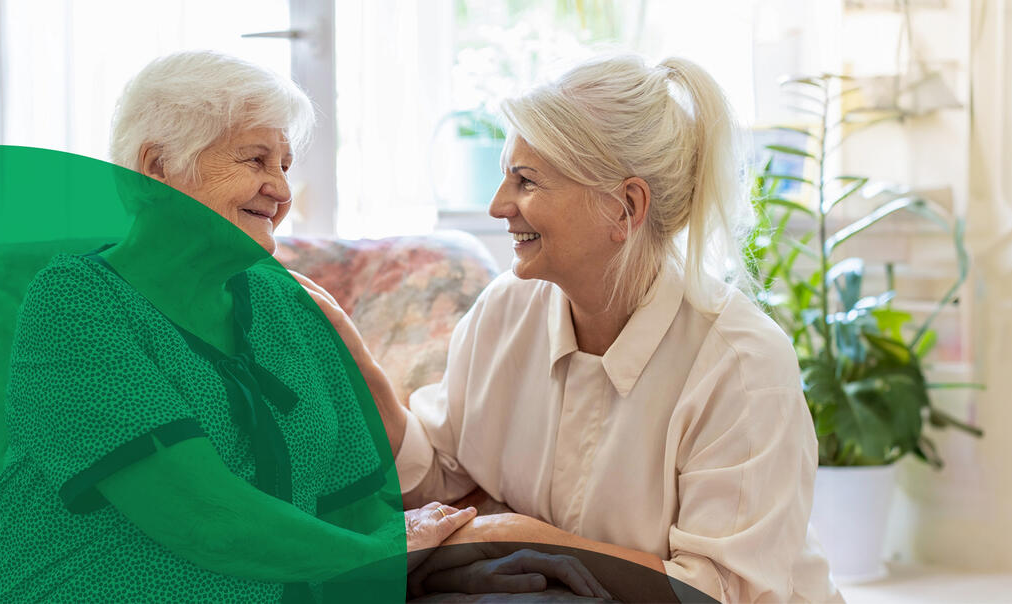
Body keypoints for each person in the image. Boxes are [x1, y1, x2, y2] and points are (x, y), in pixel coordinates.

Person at [0, 50, 475, 602]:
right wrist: (384, 558)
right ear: (156, 168)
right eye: (256, 161)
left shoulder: (287, 306)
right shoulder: (75, 302)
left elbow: (355, 506)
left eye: (285, 166)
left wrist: (449, 572)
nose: (282, 192)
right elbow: (201, 517)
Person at [339, 54, 843, 602]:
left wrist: (523, 535)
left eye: (525, 181)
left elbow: (716, 592)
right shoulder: (506, 308)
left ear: (625, 208)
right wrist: (362, 376)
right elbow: (442, 475)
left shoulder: (743, 365)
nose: (497, 205)